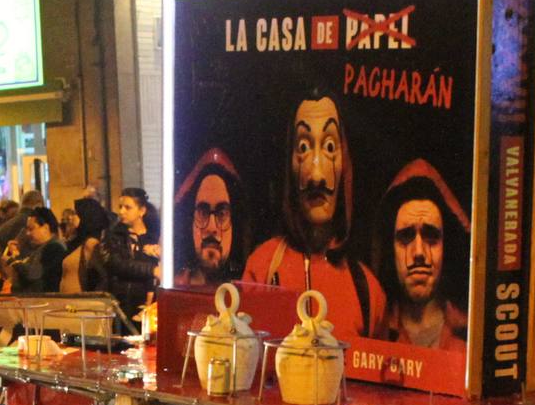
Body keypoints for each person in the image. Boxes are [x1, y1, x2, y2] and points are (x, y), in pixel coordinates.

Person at [245, 93, 385, 341]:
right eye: (303, 147)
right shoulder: (262, 268)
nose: (316, 176)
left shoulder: (368, 292)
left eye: (330, 147)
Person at [375, 161, 469, 355]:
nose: (418, 252)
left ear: (446, 247)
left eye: (431, 237)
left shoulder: (473, 335)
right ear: (390, 248)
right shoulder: (375, 332)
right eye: (406, 237)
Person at [172, 149, 244, 288]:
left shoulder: (247, 289)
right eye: (203, 212)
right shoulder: (176, 287)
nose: (211, 228)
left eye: (222, 213)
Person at [101, 186, 161, 316]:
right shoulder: (113, 236)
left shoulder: (155, 237)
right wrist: (152, 270)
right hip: (120, 304)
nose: (122, 211)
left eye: (128, 207)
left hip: (148, 306)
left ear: (142, 211)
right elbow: (116, 263)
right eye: (120, 207)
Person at [9, 207, 67, 295]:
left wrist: (13, 261)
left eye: (31, 229)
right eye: (27, 229)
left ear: (46, 228)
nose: (27, 233)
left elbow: (33, 275)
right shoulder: (42, 247)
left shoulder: (54, 248)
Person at [62, 199, 110, 294]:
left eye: (75, 213)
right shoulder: (78, 240)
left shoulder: (91, 243)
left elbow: (99, 276)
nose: (71, 217)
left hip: (81, 302)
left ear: (86, 216)